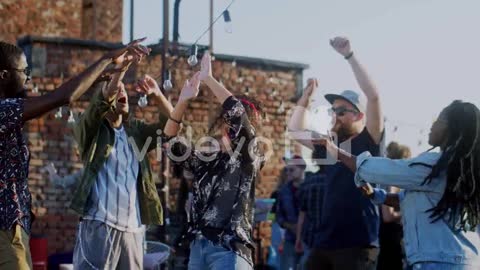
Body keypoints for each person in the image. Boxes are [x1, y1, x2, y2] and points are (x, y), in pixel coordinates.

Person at [0, 39, 146, 270]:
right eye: (24, 71)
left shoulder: (9, 110)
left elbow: (57, 96)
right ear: (4, 75)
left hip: (14, 225)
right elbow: (61, 97)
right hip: (5, 229)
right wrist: (106, 58)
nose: (28, 77)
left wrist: (97, 78)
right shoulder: (4, 110)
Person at [319, 100, 480, 269]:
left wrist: (334, 149)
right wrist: (377, 195)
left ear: (452, 128)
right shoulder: (459, 170)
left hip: (438, 263)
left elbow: (376, 169)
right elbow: (410, 200)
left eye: (438, 120)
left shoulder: (433, 166)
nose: (432, 126)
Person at [71, 48, 174, 269]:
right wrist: (120, 69)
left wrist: (157, 94)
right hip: (100, 225)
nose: (122, 93)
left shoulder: (135, 131)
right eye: (116, 91)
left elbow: (171, 127)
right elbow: (103, 97)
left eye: (124, 90)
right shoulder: (92, 130)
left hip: (133, 230)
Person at [161, 51, 265, 269]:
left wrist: (208, 78)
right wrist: (182, 101)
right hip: (199, 248)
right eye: (225, 124)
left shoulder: (249, 156)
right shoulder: (207, 161)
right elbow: (170, 143)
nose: (227, 129)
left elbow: (238, 115)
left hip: (229, 249)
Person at [288, 36, 384, 270]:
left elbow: (373, 96)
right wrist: (306, 98)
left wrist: (350, 56)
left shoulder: (369, 139)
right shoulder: (329, 144)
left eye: (342, 111)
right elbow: (294, 130)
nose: (335, 115)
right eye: (333, 110)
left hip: (358, 243)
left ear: (359, 115)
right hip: (325, 242)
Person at [376, 142, 411, 270]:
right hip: (390, 239)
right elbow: (388, 216)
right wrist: (408, 211)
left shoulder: (390, 181)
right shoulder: (391, 183)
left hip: (390, 238)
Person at [276, 155, 306, 270]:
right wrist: (290, 226)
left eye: (292, 170)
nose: (288, 172)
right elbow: (279, 215)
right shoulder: (284, 191)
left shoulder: (310, 187)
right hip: (290, 238)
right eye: (287, 169)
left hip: (307, 239)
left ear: (302, 168)